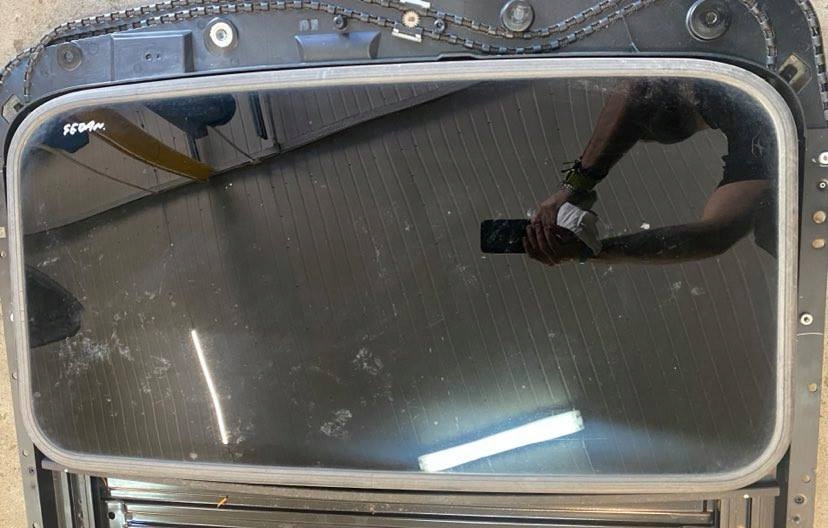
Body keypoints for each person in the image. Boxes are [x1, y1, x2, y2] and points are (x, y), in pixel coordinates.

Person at [525, 79, 776, 267]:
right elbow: (716, 235)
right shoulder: (752, 150)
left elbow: (638, 90)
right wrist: (590, 250)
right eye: (638, 133)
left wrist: (573, 186)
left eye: (632, 132)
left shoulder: (704, 63)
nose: (639, 135)